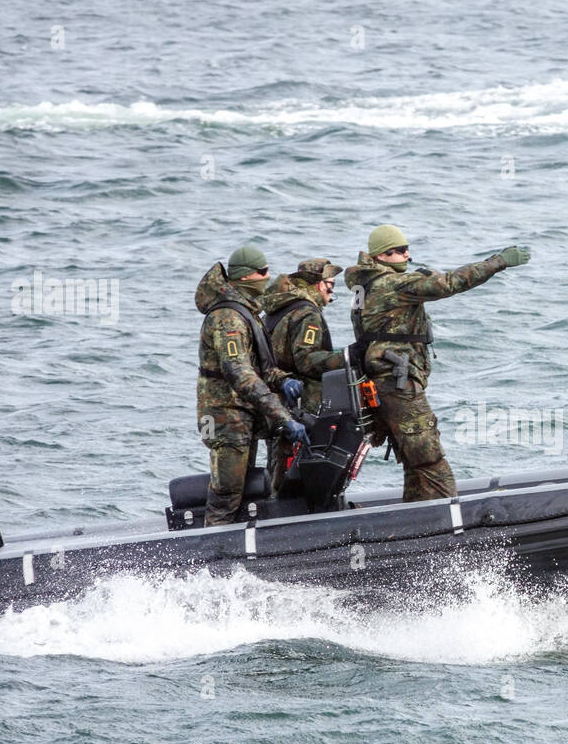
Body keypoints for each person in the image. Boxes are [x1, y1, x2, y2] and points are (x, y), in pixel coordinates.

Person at [344, 225, 529, 502]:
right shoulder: (392, 284)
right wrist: (498, 262)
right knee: (430, 459)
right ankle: (450, 522)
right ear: (384, 255)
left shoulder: (366, 284)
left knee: (414, 461)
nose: (408, 254)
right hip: (397, 383)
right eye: (401, 250)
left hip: (384, 381)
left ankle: (416, 522)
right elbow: (449, 283)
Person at [196, 245, 307, 525]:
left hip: (240, 415)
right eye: (264, 271)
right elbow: (240, 374)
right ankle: (211, 558)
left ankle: (238, 551)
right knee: (227, 493)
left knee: (246, 491)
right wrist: (283, 418)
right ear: (246, 277)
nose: (268, 277)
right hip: (225, 415)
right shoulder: (228, 318)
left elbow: (261, 369)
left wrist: (284, 381)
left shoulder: (246, 313)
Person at [262, 258, 346, 415]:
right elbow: (306, 360)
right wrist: (346, 358)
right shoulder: (308, 314)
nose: (332, 291)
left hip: (276, 399)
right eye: (331, 284)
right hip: (300, 401)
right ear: (321, 285)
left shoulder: (279, 307)